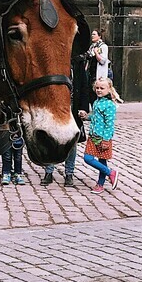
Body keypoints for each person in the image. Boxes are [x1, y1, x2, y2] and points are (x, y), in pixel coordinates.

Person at [41, 51, 87, 187]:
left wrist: (84, 107)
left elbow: (83, 84)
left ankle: (69, 174)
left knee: (71, 141)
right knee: (50, 139)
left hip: (73, 106)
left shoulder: (78, 62)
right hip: (53, 105)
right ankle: (48, 172)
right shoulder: (53, 59)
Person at [79, 77, 122, 193]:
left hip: (102, 138)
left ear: (109, 89)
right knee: (95, 159)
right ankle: (103, 181)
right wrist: (86, 116)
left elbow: (109, 124)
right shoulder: (96, 102)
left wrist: (106, 139)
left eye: (102, 88)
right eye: (97, 88)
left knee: (93, 159)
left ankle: (108, 175)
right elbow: (95, 117)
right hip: (93, 136)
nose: (99, 90)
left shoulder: (109, 105)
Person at [86, 30, 109, 106]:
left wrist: (96, 52)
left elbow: (102, 60)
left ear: (99, 36)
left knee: (99, 93)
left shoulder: (103, 46)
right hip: (91, 73)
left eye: (94, 34)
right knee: (91, 93)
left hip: (99, 74)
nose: (92, 36)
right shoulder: (92, 46)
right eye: (92, 34)